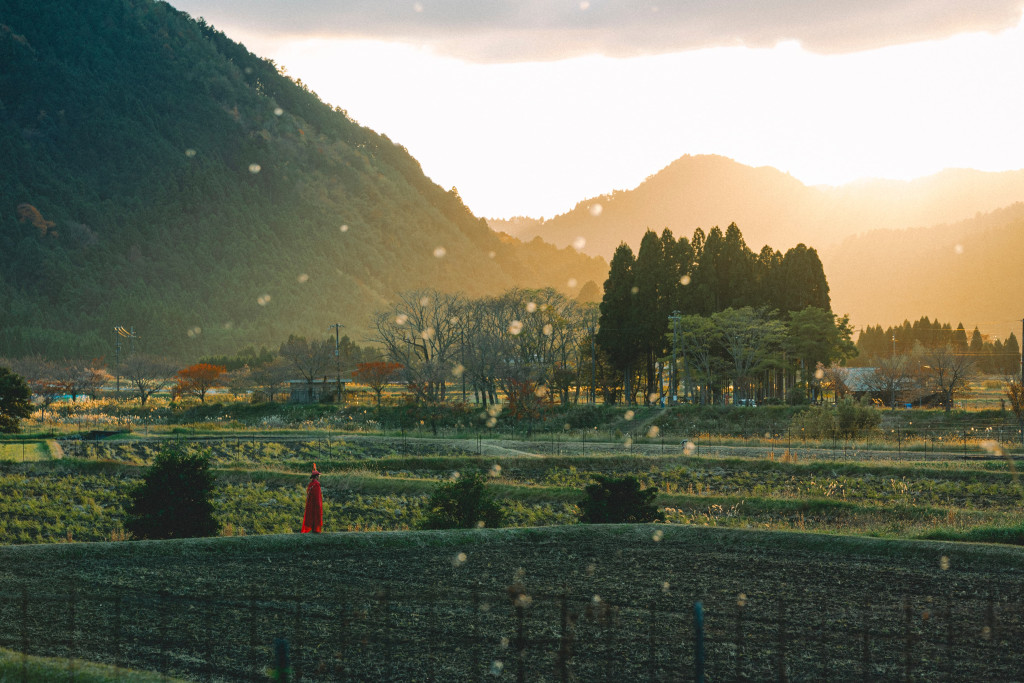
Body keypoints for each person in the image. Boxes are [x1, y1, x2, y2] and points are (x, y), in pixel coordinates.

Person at [301, 463, 323, 533]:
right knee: (316, 515)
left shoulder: (311, 485)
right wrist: (319, 505)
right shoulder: (316, 485)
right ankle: (316, 530)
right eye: (318, 476)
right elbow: (317, 497)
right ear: (316, 477)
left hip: (310, 504)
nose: (319, 477)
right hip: (315, 504)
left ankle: (313, 529)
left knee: (311, 516)